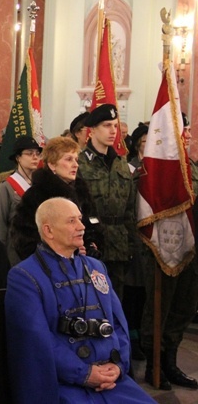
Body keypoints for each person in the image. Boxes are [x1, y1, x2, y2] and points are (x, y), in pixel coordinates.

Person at [5, 197, 154, 403]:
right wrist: (83, 374)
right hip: (64, 385)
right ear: (48, 231)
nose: (82, 227)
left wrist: (118, 366)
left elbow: (118, 324)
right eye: (71, 221)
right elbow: (37, 342)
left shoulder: (96, 267)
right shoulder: (24, 276)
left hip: (111, 382)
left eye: (80, 219)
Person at [139, 112, 198, 390]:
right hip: (162, 249)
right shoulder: (153, 168)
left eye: (186, 130)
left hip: (190, 248)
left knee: (183, 307)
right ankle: (154, 365)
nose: (185, 134)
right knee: (158, 309)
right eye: (181, 129)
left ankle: (171, 362)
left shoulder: (193, 167)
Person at [77, 103, 136, 300]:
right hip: (90, 243)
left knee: (115, 301)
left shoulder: (121, 163)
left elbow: (129, 209)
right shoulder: (79, 163)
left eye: (115, 125)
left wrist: (131, 244)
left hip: (118, 246)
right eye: (106, 125)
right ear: (92, 130)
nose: (113, 131)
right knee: (89, 300)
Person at [11, 136, 101, 264]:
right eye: (69, 159)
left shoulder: (81, 191)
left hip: (82, 265)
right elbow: (23, 237)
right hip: (50, 267)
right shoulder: (37, 194)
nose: (75, 165)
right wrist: (57, 255)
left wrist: (90, 244)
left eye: (76, 159)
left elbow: (92, 224)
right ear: (52, 164)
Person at [0, 135, 42, 262]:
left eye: (37, 153)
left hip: (39, 249)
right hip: (15, 252)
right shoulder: (6, 187)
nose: (35, 157)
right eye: (29, 153)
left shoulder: (40, 184)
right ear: (18, 157)